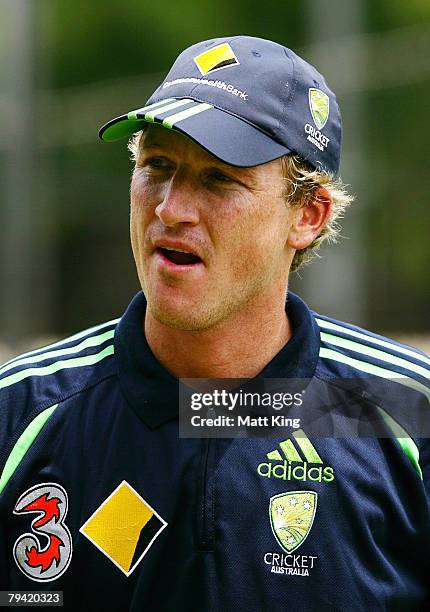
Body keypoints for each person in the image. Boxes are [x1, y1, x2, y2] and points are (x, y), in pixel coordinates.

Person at [0, 35, 429, 611]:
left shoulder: (405, 411)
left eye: (219, 178)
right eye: (157, 166)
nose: (171, 209)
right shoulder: (20, 413)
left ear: (307, 215)